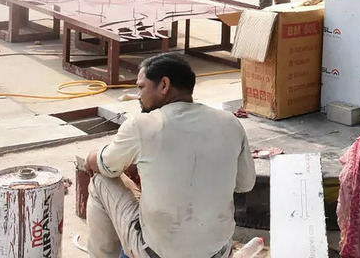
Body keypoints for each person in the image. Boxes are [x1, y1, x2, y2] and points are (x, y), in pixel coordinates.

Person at [84, 51, 256, 258]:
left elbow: (106, 165)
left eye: (141, 87)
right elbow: (245, 184)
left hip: (155, 253)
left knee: (101, 181)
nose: (139, 95)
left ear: (164, 85)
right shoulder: (229, 122)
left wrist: (90, 158)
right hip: (217, 252)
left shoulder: (143, 125)